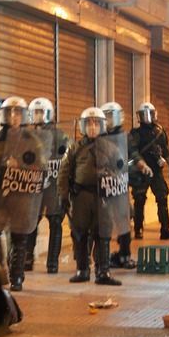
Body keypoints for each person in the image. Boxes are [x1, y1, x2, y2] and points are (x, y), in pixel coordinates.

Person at [0, 96, 47, 291]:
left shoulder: (33, 141)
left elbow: (41, 168)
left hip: (22, 197)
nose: (14, 116)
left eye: (18, 113)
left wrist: (21, 166)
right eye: (10, 112)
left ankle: (17, 277)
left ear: (24, 116)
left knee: (19, 237)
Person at [58, 107, 122, 286]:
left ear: (102, 126)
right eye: (89, 123)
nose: (93, 127)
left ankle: (103, 272)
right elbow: (63, 173)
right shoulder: (74, 148)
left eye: (96, 123)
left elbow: (120, 171)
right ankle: (82, 269)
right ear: (83, 126)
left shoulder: (111, 148)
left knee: (103, 234)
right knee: (79, 234)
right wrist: (63, 196)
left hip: (103, 197)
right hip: (81, 197)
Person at [25, 98, 71, 273]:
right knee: (31, 223)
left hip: (53, 184)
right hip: (35, 186)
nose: (36, 116)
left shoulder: (60, 135)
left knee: (55, 222)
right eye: (34, 113)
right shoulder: (28, 136)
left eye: (39, 112)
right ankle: (27, 259)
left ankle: (52, 262)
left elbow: (68, 155)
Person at [129, 102, 169, 240]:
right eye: (143, 115)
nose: (147, 117)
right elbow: (132, 152)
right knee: (139, 199)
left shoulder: (159, 131)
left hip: (156, 171)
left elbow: (166, 150)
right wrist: (140, 165)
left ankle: (165, 229)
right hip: (142, 171)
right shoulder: (135, 133)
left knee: (162, 198)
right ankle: (138, 229)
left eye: (149, 114)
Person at [101, 102, 136, 270]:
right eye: (106, 116)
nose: (108, 120)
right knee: (104, 221)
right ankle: (104, 255)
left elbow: (132, 156)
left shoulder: (126, 136)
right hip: (104, 185)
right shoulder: (99, 136)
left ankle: (125, 253)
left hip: (120, 185)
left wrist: (128, 168)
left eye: (111, 116)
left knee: (123, 218)